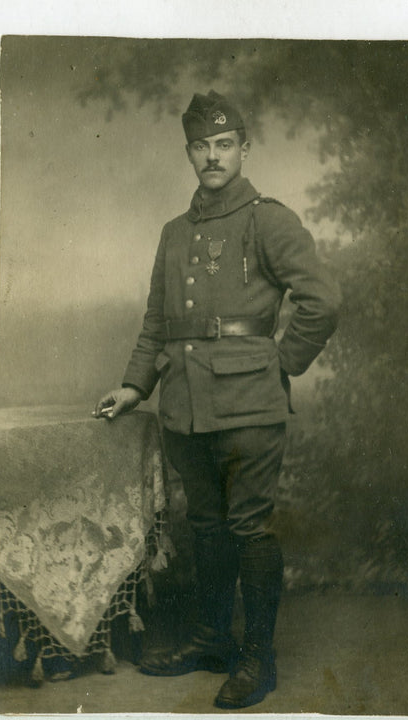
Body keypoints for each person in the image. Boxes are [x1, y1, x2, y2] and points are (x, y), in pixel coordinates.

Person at [94, 89, 340, 710]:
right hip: (186, 408)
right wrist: (134, 385)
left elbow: (322, 301)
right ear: (188, 153)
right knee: (205, 526)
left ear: (243, 149)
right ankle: (211, 640)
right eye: (201, 146)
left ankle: (258, 657)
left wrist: (278, 362)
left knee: (249, 527)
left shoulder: (267, 219)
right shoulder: (174, 234)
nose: (213, 156)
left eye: (224, 145)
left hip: (250, 409)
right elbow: (157, 322)